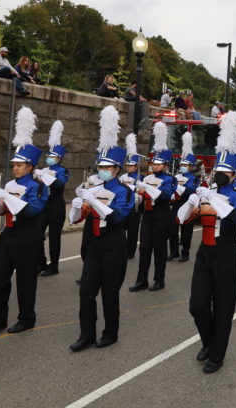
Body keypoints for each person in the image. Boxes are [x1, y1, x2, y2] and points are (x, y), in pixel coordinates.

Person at [178, 111, 236, 374]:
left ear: (232, 174)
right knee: (197, 305)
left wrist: (215, 199)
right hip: (205, 253)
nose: (218, 175)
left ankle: (217, 355)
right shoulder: (208, 189)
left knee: (223, 309)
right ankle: (208, 342)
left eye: (224, 172)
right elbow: (182, 218)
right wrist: (194, 201)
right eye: (216, 170)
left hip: (226, 255)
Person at [68, 107, 135, 351]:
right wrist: (78, 206)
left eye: (107, 167)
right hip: (95, 244)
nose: (102, 170)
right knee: (86, 291)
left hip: (114, 244)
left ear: (117, 169)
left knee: (109, 293)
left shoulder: (125, 191)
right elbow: (76, 219)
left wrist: (95, 201)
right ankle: (86, 334)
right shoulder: (93, 188)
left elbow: (118, 217)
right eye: (101, 166)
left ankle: (110, 333)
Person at [0, 108, 48, 336]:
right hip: (7, 234)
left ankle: (27, 318)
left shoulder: (37, 186)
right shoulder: (9, 184)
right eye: (14, 165)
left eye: (19, 165)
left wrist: (9, 198)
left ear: (29, 166)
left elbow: (33, 211)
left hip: (27, 237)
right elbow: (2, 210)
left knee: (26, 281)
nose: (15, 168)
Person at [129, 123, 176, 292]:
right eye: (154, 163)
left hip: (162, 216)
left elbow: (165, 195)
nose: (155, 166)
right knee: (144, 249)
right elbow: (143, 197)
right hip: (147, 216)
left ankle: (159, 279)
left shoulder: (170, 179)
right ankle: (142, 280)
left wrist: (148, 188)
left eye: (159, 164)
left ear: (165, 165)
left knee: (160, 249)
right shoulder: (147, 177)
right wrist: (138, 197)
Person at [37, 121, 69, 277]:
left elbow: (59, 184)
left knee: (54, 237)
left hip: (56, 206)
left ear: (59, 158)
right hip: (44, 205)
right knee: (37, 234)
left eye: (52, 155)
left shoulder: (63, 170)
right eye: (48, 155)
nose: (49, 157)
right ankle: (40, 262)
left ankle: (54, 265)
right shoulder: (43, 169)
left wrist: (46, 178)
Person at [169, 132, 201, 261]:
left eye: (185, 165)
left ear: (191, 167)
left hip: (188, 204)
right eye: (182, 165)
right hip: (176, 204)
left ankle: (185, 253)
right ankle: (174, 251)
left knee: (187, 231)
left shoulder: (194, 178)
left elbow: (192, 191)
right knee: (172, 229)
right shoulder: (175, 177)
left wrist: (180, 186)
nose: (183, 167)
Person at [119, 134, 144, 259]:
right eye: (127, 166)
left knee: (133, 230)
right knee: (121, 229)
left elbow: (142, 193)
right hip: (124, 205)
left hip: (135, 207)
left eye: (131, 166)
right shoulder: (122, 177)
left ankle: (130, 251)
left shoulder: (141, 177)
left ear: (136, 167)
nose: (129, 167)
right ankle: (122, 249)